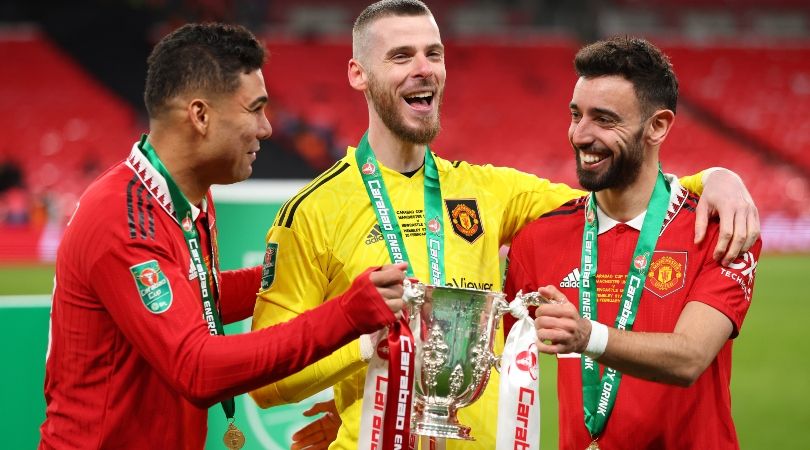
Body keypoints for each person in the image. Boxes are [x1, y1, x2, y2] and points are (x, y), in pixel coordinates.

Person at [250, 1, 760, 449]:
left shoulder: (492, 193)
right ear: (358, 74)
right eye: (401, 56)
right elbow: (267, 381)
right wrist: (366, 356)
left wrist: (713, 178)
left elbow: (621, 196)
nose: (424, 69)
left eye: (435, 53)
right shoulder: (311, 211)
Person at [38, 23, 410, 450]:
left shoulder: (186, 199)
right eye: (255, 109)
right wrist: (346, 314)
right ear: (200, 116)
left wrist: (314, 270)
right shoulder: (121, 218)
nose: (267, 129)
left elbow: (201, 295)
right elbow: (196, 368)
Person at [504, 37, 761, 449]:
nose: (580, 135)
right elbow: (491, 360)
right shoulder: (538, 239)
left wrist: (588, 336)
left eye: (604, 120)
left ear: (657, 126)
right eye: (576, 115)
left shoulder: (720, 228)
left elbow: (690, 357)